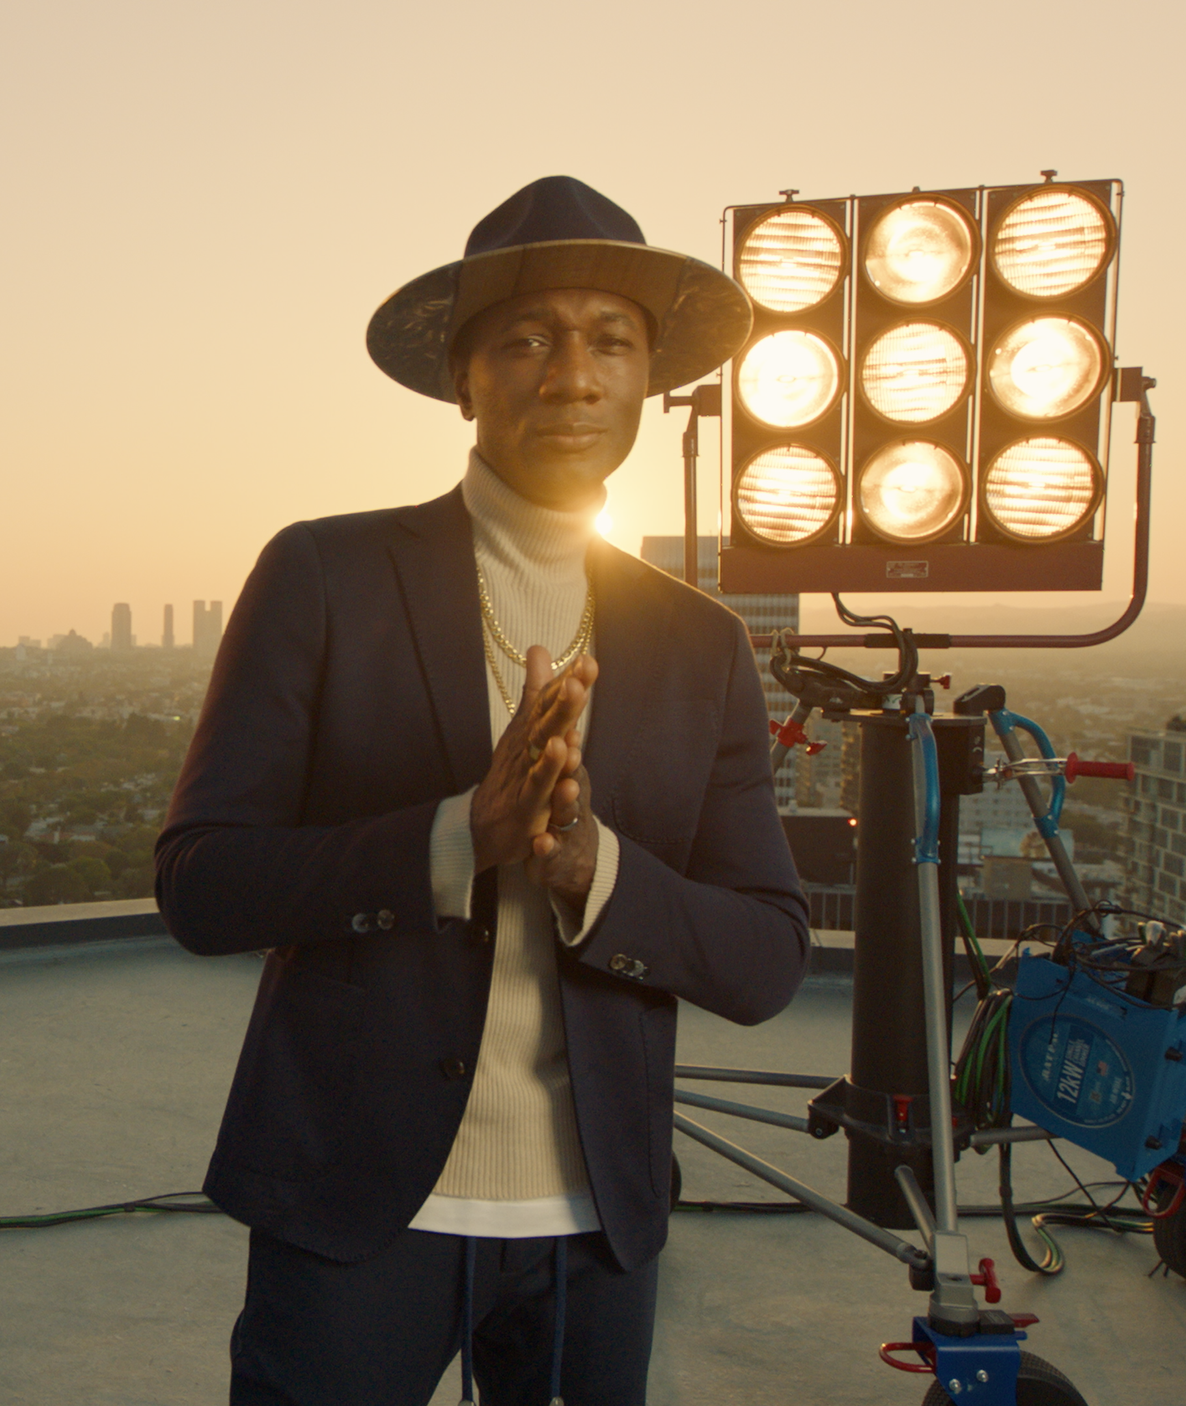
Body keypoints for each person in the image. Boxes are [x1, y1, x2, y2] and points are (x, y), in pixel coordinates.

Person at [155, 176, 813, 1405]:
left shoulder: (701, 642)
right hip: (356, 1207)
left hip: (597, 1224)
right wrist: (462, 834)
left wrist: (585, 867)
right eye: (526, 338)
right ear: (463, 381)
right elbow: (200, 882)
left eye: (610, 339)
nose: (572, 372)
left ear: (649, 379)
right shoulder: (321, 573)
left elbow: (765, 956)